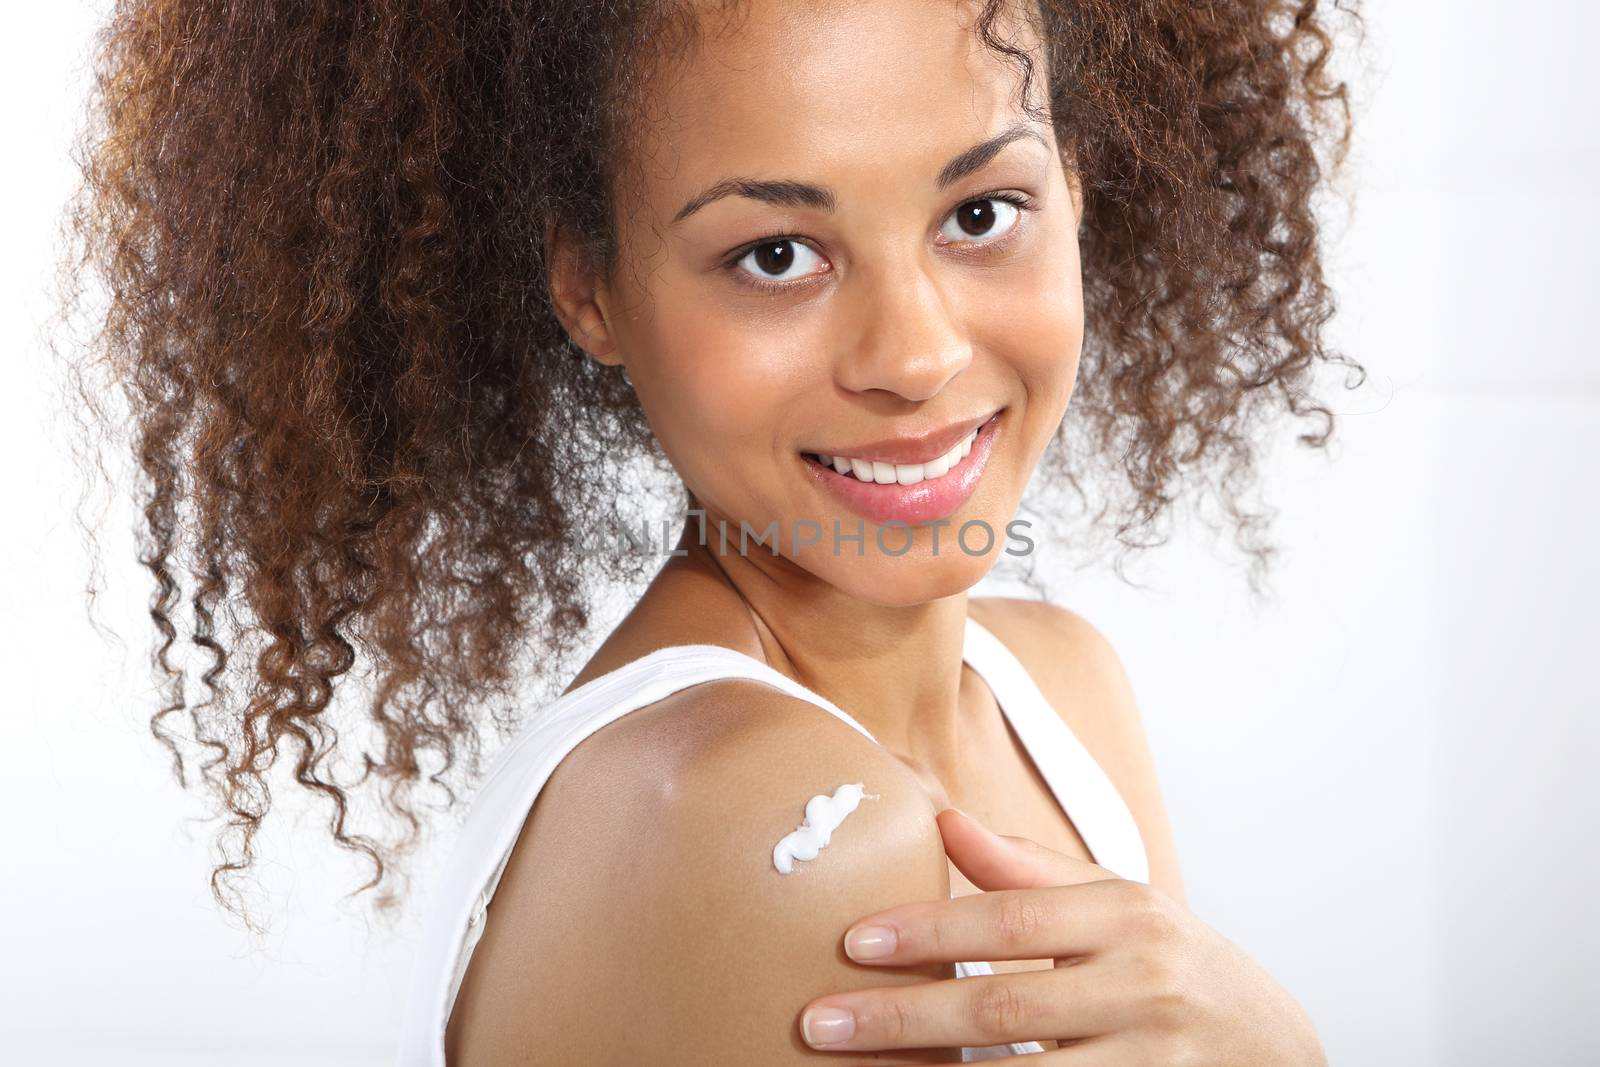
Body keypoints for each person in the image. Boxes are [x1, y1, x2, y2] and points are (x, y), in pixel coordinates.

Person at [58, 0, 1364, 1061]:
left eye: (979, 213)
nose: (914, 354)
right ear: (593, 289)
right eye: (777, 255)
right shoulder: (771, 823)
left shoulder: (1061, 691)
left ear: (1075, 192)